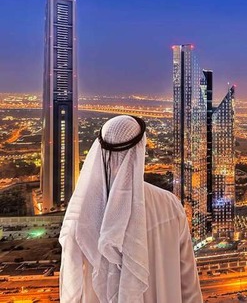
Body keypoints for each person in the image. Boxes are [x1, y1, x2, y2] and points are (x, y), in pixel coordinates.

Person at [59, 115, 202, 302]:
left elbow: (71, 285)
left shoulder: (83, 210)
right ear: (140, 150)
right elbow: (188, 282)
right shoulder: (169, 204)